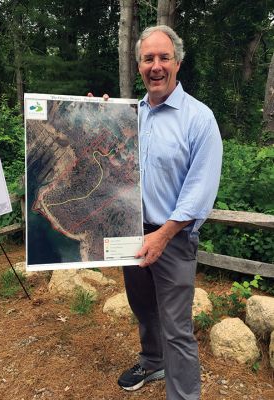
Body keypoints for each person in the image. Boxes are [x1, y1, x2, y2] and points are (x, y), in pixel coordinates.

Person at [116, 25, 223, 400]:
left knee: (177, 328)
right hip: (131, 231)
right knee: (142, 308)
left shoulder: (199, 119)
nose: (156, 66)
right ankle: (151, 360)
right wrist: (88, 115)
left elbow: (200, 190)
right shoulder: (131, 115)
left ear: (177, 62)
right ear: (139, 65)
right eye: (148, 58)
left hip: (173, 237)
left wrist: (162, 235)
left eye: (164, 57)